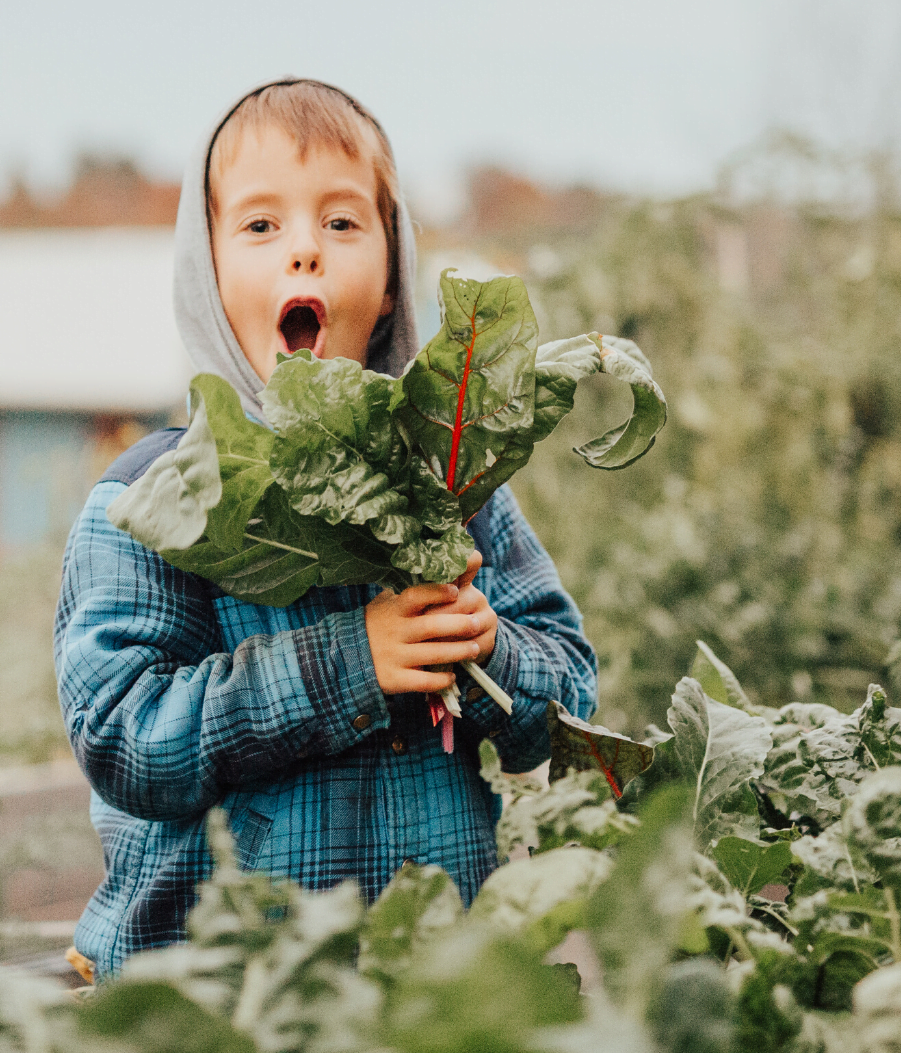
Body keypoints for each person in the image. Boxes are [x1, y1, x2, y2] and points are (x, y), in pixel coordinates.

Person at [53, 78, 598, 979]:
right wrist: (353, 661)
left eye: (342, 224)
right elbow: (123, 737)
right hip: (219, 997)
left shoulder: (455, 483)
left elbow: (573, 694)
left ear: (389, 282)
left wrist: (491, 648)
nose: (304, 249)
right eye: (261, 226)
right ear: (211, 275)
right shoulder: (154, 499)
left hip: (422, 991)